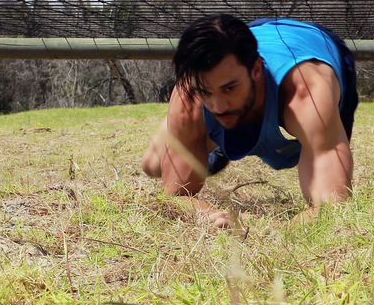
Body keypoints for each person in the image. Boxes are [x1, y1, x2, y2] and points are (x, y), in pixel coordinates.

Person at [140, 15, 359, 228]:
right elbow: (175, 197)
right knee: (151, 165)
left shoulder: (306, 94)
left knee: (328, 167)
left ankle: (209, 141)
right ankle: (203, 139)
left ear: (255, 70)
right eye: (205, 91)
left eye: (229, 88)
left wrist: (281, 232)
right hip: (255, 38)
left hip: (313, 44)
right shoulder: (189, 96)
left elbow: (333, 206)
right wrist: (204, 213)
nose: (217, 106)